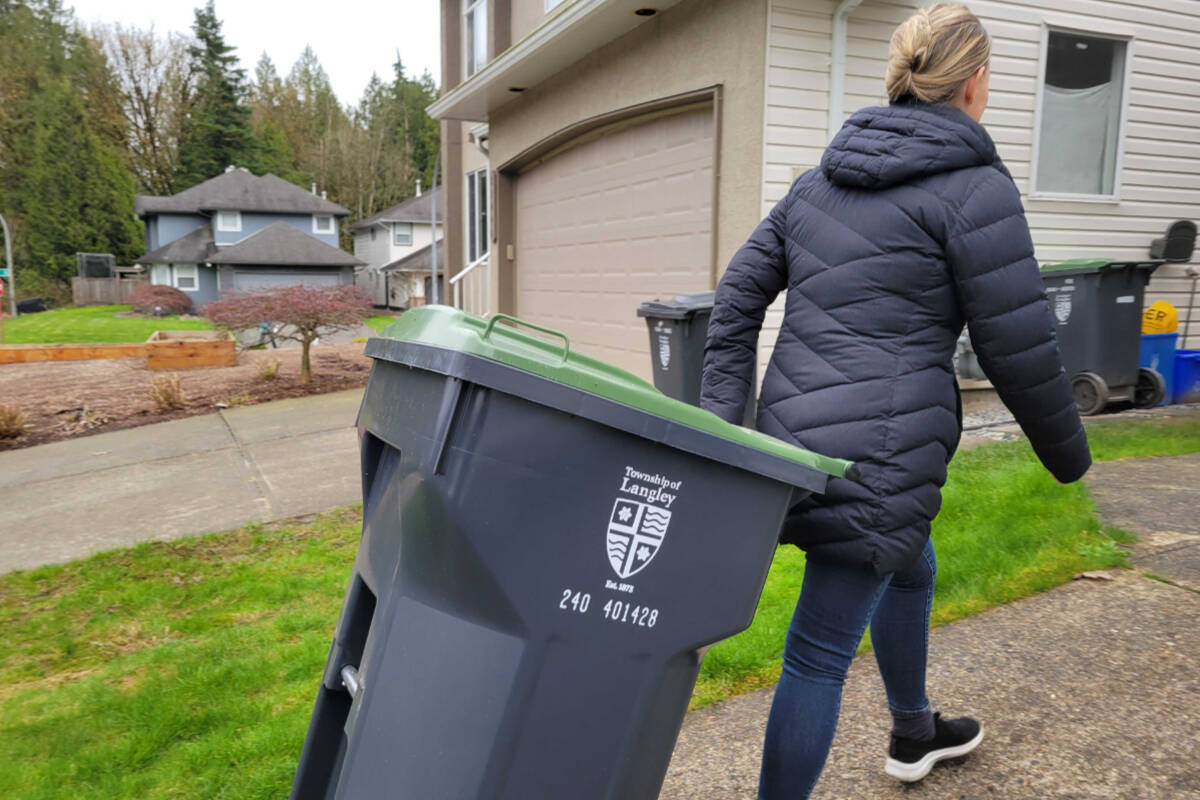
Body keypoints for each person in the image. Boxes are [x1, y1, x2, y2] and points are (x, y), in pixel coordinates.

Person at [699, 5, 1092, 798]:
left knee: (912, 567)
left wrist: (726, 425)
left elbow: (735, 300)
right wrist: (1071, 458)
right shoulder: (975, 190)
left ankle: (914, 731)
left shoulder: (817, 186)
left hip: (799, 446)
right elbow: (1017, 346)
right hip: (880, 457)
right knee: (816, 655)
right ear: (975, 81)